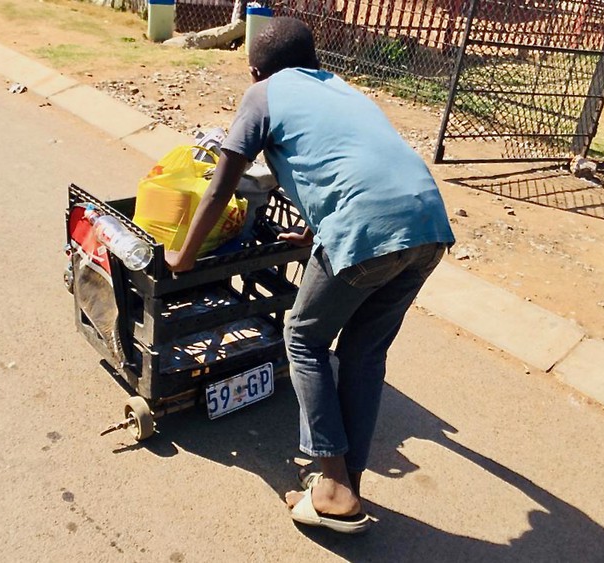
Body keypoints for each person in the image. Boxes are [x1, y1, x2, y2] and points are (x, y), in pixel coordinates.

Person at [165, 17, 455, 534]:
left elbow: (219, 187)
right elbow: (342, 163)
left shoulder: (263, 94)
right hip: (429, 224)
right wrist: (316, 229)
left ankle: (333, 483)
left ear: (256, 70)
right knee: (364, 355)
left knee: (302, 339)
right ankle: (345, 485)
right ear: (314, 60)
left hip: (365, 231)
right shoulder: (344, 90)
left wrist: (183, 257)